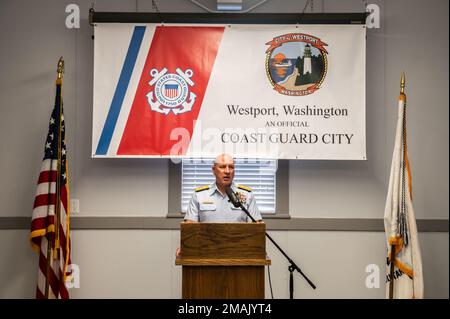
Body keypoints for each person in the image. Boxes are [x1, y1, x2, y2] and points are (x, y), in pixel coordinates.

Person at [184, 153, 263, 223]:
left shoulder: (247, 195)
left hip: (238, 240)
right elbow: (190, 227)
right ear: (214, 170)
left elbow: (255, 228)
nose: (227, 171)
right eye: (222, 167)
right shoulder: (199, 195)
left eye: (231, 167)